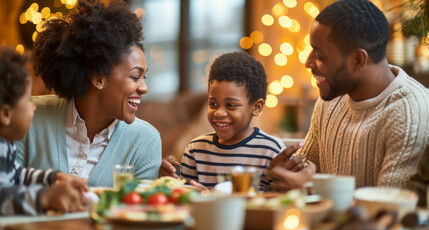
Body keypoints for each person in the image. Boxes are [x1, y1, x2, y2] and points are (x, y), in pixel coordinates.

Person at [269, 0, 429, 191]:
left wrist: (310, 189)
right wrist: (286, 174)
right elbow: (306, 171)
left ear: (358, 59)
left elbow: (388, 212)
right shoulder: (331, 99)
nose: (308, 62)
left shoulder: (409, 112)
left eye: (320, 56)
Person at [15, 0, 162, 187]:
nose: (144, 88)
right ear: (98, 78)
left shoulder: (145, 141)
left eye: (144, 78)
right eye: (135, 76)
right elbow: (6, 195)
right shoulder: (31, 116)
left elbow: (139, 212)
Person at [179, 52, 288, 190]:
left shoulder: (271, 150)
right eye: (213, 104)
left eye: (231, 105)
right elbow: (186, 200)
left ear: (256, 107)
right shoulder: (195, 150)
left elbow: (277, 201)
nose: (219, 112)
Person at [0, 46, 88, 215]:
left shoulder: (6, 144)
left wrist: (53, 178)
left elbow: (16, 175)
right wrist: (45, 197)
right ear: (5, 114)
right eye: (27, 101)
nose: (33, 107)